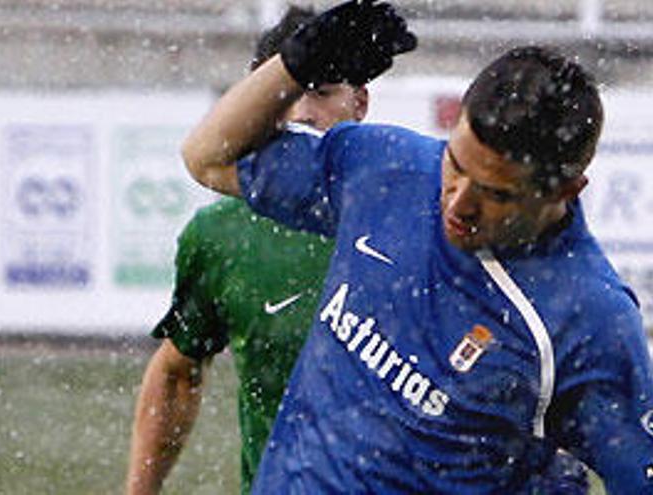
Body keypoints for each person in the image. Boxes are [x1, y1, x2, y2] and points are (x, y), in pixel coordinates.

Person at [181, 0, 653, 493]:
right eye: (456, 164)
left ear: (565, 191)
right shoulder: (388, 170)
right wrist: (296, 65)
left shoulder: (588, 320)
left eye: (495, 193)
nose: (458, 203)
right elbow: (207, 158)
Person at [125, 7, 370, 495]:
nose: (302, 112)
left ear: (359, 103)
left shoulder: (416, 215)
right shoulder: (223, 235)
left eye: (322, 94)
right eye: (284, 94)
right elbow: (177, 372)